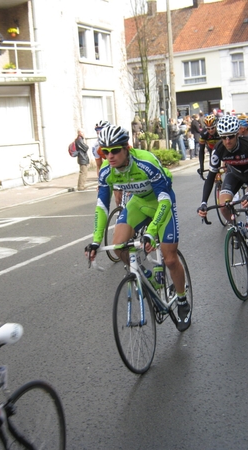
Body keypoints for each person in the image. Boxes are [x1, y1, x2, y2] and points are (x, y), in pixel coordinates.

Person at [84, 125, 191, 331]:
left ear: (127, 148)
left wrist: (151, 232)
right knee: (118, 246)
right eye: (105, 152)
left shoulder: (146, 162)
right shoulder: (107, 170)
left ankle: (182, 299)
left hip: (162, 204)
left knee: (169, 258)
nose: (110, 156)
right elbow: (101, 205)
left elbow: (164, 198)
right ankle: (146, 278)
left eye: (115, 150)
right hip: (138, 204)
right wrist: (96, 240)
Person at [196, 115, 248, 275]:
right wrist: (203, 202)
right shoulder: (219, 149)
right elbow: (211, 177)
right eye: (223, 137)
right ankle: (238, 229)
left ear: (237, 134)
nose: (227, 141)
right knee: (224, 205)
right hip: (235, 175)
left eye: (231, 136)